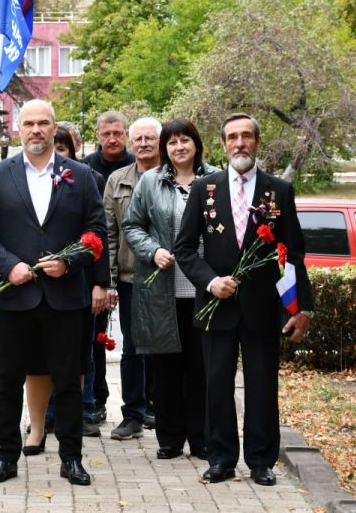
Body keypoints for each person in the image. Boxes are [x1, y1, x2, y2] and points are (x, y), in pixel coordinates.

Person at [0, 99, 109, 486]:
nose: (35, 130)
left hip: (65, 297)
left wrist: (71, 262)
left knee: (67, 381)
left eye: (43, 123)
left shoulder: (80, 176)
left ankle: (71, 458)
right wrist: (8, 264)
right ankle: (6, 458)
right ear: (18, 129)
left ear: (53, 128)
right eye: (28, 123)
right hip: (15, 296)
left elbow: (97, 232)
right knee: (8, 381)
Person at [173, 112, 313, 487]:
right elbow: (185, 248)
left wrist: (300, 308)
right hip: (217, 304)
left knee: (262, 384)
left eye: (246, 136)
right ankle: (220, 458)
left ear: (257, 141)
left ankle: (261, 460)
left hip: (262, 307)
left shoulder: (278, 190)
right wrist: (209, 282)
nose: (239, 143)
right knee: (216, 384)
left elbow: (293, 253)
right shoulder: (205, 188)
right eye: (232, 137)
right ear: (222, 144)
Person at [122, 118, 215, 461]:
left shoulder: (214, 180)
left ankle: (201, 437)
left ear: (196, 144)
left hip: (204, 290)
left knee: (201, 370)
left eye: (185, 140)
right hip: (162, 290)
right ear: (165, 148)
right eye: (172, 142)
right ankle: (170, 438)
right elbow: (132, 225)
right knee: (165, 372)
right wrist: (152, 250)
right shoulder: (150, 181)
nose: (179, 147)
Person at [23, 128, 106, 453]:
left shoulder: (88, 179)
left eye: (63, 147)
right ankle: (39, 427)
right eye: (53, 146)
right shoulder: (23, 178)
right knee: (37, 360)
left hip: (77, 282)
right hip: (32, 283)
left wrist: (101, 282)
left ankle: (74, 426)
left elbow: (99, 236)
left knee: (75, 361)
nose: (57, 152)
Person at [104, 117, 162, 441]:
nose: (142, 144)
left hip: (169, 277)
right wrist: (110, 281)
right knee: (132, 349)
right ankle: (133, 414)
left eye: (149, 138)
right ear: (131, 141)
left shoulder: (173, 176)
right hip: (129, 277)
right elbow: (109, 234)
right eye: (138, 138)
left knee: (167, 347)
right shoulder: (117, 180)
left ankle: (167, 411)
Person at [81, 110, 134, 422]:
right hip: (94, 268)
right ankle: (96, 399)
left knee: (135, 342)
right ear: (97, 135)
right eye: (106, 133)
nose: (112, 138)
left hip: (129, 264)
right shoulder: (85, 168)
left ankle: (141, 405)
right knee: (93, 339)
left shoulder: (136, 165)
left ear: (124, 134)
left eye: (118, 132)